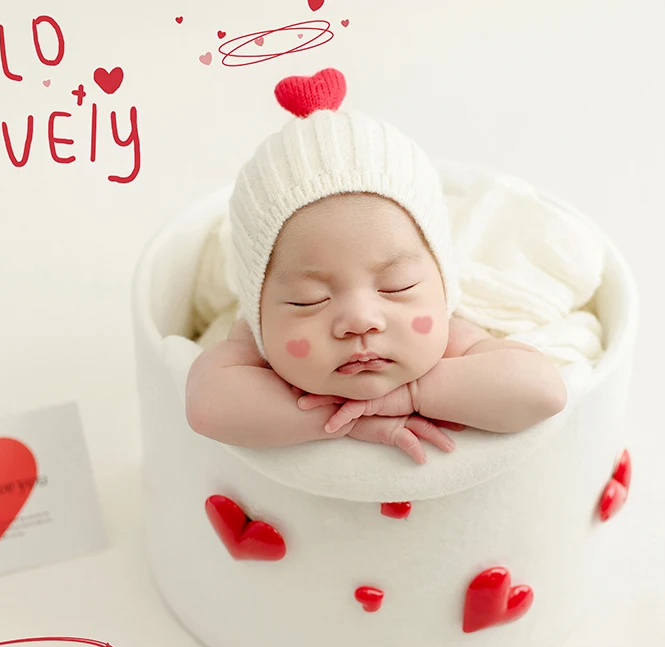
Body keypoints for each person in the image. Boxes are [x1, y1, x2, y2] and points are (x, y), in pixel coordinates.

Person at [186, 67, 566, 464]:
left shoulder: (452, 339)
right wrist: (347, 421)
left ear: (441, 284)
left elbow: (543, 391)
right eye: (308, 299)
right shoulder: (257, 343)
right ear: (258, 308)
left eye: (397, 286)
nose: (361, 320)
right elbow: (207, 407)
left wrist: (411, 395)